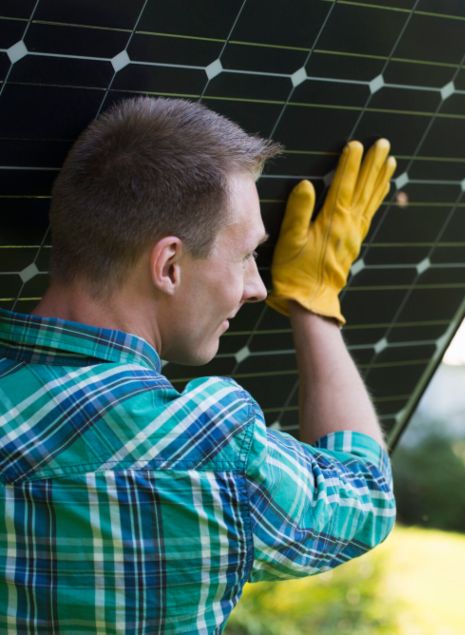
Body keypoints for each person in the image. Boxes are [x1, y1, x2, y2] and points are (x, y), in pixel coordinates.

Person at [0, 96, 397, 632]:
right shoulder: (205, 448)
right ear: (168, 265)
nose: (258, 287)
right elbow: (365, 498)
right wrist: (315, 303)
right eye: (246, 256)